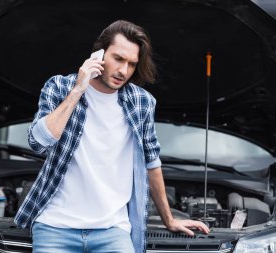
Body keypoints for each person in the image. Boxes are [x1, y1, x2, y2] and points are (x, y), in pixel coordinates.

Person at [14, 20, 209, 253]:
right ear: (98, 54)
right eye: (118, 58)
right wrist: (78, 89)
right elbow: (38, 141)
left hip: (112, 231)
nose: (123, 71)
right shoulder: (58, 87)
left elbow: (151, 162)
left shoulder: (141, 102)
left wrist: (169, 219)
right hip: (55, 226)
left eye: (131, 64)